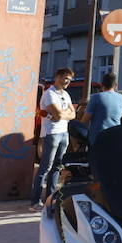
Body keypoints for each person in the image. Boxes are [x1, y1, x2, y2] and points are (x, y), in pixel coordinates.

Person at [30, 67, 76, 210]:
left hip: (64, 133)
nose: (67, 81)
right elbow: (58, 115)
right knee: (46, 167)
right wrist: (63, 114)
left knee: (57, 167)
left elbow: (73, 114)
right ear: (58, 77)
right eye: (65, 78)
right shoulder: (49, 94)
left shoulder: (66, 94)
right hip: (51, 134)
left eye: (70, 79)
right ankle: (35, 201)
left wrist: (64, 114)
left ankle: (50, 199)